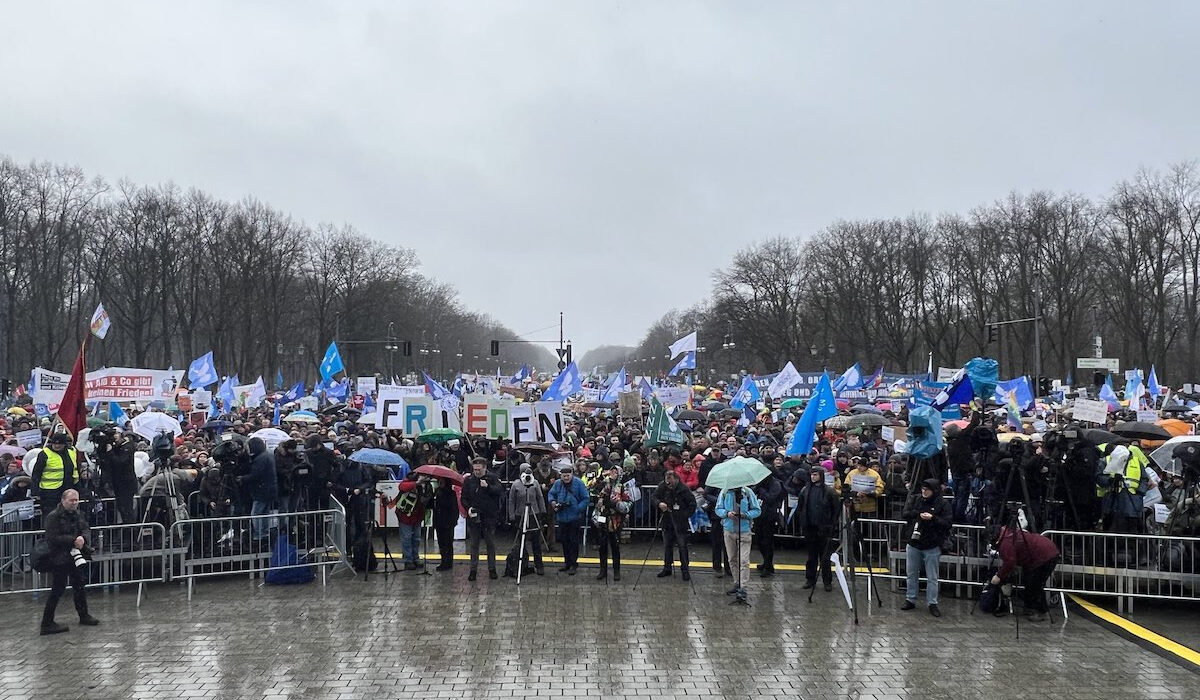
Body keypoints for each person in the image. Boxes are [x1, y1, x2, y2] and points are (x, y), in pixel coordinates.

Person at [39, 489, 99, 634]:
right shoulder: (53, 516)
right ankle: (46, 623)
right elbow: (52, 538)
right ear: (63, 500)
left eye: (76, 500)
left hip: (74, 555)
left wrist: (83, 539)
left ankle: (84, 615)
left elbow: (85, 528)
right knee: (58, 589)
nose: (74, 503)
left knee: (79, 586)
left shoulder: (78, 514)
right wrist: (73, 540)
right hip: (59, 557)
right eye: (71, 500)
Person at [901, 478, 952, 617]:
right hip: (914, 542)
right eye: (922, 489)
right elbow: (905, 513)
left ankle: (932, 602)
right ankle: (910, 599)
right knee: (911, 573)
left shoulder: (943, 503)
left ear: (934, 490)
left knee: (932, 576)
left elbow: (947, 523)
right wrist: (918, 514)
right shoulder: (915, 499)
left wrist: (933, 518)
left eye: (927, 490)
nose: (924, 492)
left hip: (932, 544)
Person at [988, 526, 1060, 621]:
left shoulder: (1006, 542)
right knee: (1035, 583)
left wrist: (999, 576)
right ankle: (1040, 609)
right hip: (1044, 553)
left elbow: (1010, 562)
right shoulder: (1010, 534)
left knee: (1033, 584)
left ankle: (1034, 610)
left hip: (1043, 557)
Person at [796, 465, 840, 591]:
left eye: (816, 474)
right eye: (812, 474)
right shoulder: (805, 490)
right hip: (810, 528)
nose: (813, 477)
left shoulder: (829, 491)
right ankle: (810, 579)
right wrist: (803, 522)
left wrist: (831, 525)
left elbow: (835, 511)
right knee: (811, 557)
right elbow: (800, 508)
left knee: (825, 557)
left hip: (824, 528)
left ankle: (827, 581)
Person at [715, 483, 762, 602]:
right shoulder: (724, 492)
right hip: (728, 530)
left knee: (744, 560)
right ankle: (737, 583)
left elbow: (757, 510)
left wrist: (745, 515)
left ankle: (743, 587)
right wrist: (726, 513)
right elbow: (718, 509)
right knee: (732, 559)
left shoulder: (747, 492)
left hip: (745, 531)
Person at [461, 457, 503, 580]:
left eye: (479, 470)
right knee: (474, 545)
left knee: (490, 544)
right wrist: (468, 508)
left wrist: (488, 487)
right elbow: (464, 497)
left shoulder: (492, 478)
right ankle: (473, 570)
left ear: (485, 468)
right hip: (474, 517)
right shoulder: (469, 480)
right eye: (475, 470)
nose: (477, 472)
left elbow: (499, 491)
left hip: (489, 517)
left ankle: (492, 569)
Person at [652, 470, 696, 580]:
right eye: (667, 481)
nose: (668, 484)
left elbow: (692, 504)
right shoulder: (663, 486)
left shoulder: (684, 489)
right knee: (667, 545)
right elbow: (654, 497)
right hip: (667, 520)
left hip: (680, 522)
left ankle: (685, 570)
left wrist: (684, 515)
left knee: (682, 546)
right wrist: (659, 503)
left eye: (670, 481)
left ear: (676, 479)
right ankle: (667, 567)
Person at [547, 464, 590, 575]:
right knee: (564, 541)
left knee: (574, 541)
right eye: (564, 476)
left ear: (572, 475)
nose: (566, 478)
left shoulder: (579, 483)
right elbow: (551, 494)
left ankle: (574, 564)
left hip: (574, 517)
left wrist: (578, 509)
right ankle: (567, 563)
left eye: (568, 475)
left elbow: (586, 498)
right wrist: (553, 502)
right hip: (562, 517)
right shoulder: (557, 484)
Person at [504, 465, 546, 577]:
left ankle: (539, 565)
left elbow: (540, 497)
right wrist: (511, 516)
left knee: (536, 542)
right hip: (520, 514)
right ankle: (521, 564)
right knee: (520, 542)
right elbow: (511, 501)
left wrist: (543, 512)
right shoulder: (516, 484)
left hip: (533, 514)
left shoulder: (535, 483)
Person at [591, 465, 631, 581]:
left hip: (615, 518)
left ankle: (616, 571)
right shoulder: (603, 483)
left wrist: (618, 505)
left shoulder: (622, 486)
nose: (613, 473)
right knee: (602, 544)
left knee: (615, 545)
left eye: (615, 472)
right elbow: (592, 490)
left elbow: (628, 502)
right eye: (611, 471)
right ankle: (602, 570)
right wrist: (598, 479)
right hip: (603, 515)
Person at [31, 433, 82, 519]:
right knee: (51, 517)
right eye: (54, 443)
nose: (56, 446)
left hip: (68, 489)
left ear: (64, 444)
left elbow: (76, 469)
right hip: (50, 492)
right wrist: (35, 491)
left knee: (69, 515)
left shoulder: (71, 452)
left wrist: (78, 487)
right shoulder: (44, 454)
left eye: (59, 444)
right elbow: (36, 473)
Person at [390, 473, 433, 569]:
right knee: (407, 538)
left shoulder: (427, 486)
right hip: (405, 515)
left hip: (417, 516)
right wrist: (417, 483)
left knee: (416, 538)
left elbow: (428, 498)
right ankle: (408, 560)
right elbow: (402, 487)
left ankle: (415, 558)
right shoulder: (409, 480)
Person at [240, 437, 277, 541]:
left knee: (255, 513)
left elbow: (256, 474)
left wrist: (243, 478)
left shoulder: (260, 459)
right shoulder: (268, 455)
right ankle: (265, 532)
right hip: (269, 489)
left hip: (261, 490)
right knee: (264, 512)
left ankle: (259, 534)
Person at [753, 471, 784, 577]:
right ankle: (765, 562)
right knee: (759, 540)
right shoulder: (761, 483)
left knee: (767, 542)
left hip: (769, 517)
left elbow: (771, 498)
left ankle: (768, 566)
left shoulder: (776, 484)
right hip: (759, 515)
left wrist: (761, 490)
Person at [431, 477, 461, 571]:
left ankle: (448, 562)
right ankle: (443, 560)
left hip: (447, 522)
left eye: (442, 481)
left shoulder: (450, 493)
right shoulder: (436, 492)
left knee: (448, 543)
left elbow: (450, 507)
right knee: (441, 543)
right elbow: (432, 505)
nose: (440, 483)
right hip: (439, 521)